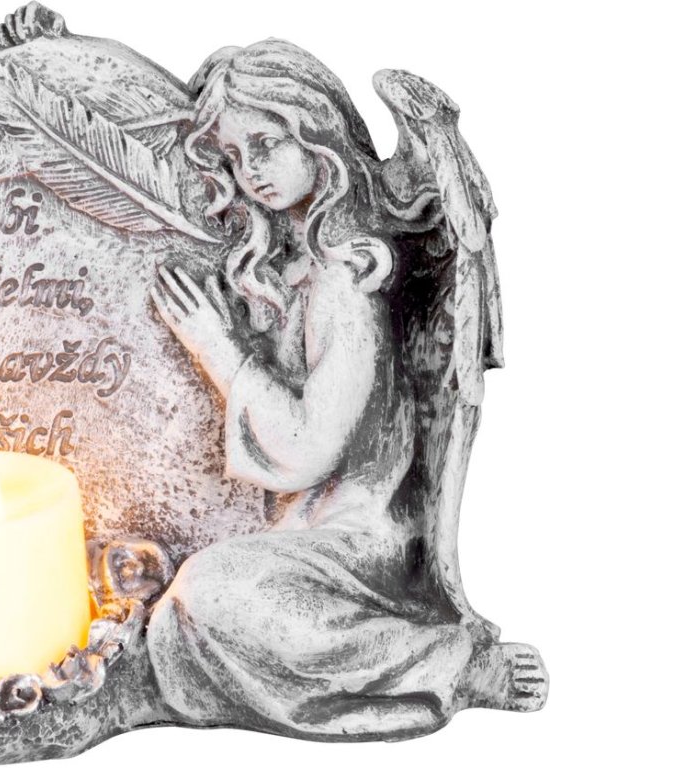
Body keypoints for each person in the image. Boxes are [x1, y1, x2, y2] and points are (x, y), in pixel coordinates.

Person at [146, 39, 545, 740]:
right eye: (234, 157)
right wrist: (46, 57)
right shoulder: (292, 263)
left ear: (319, 136)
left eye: (266, 144)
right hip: (299, 532)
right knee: (178, 618)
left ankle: (445, 662)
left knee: (207, 594)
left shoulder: (345, 278)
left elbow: (308, 447)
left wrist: (218, 350)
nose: (250, 171)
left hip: (360, 545)